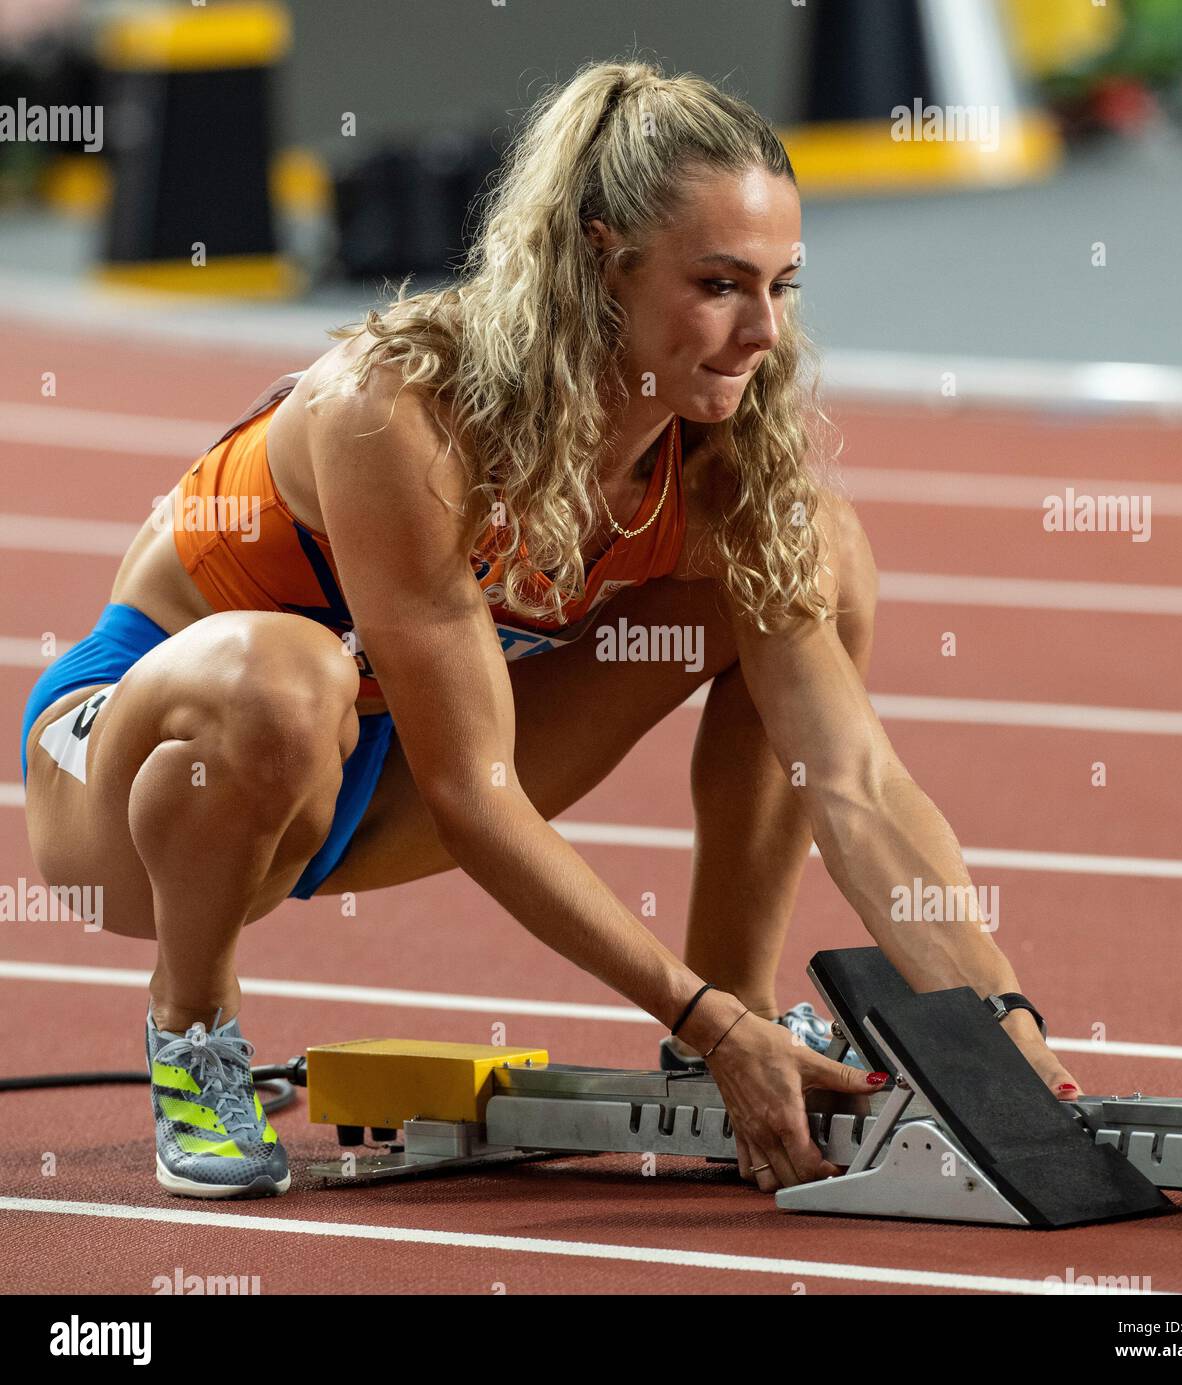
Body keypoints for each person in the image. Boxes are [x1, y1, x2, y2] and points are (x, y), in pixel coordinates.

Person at [20, 58, 1078, 1201]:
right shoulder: (397, 411)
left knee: (812, 560)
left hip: (375, 768)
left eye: (783, 284)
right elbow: (476, 793)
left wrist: (994, 1008)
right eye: (719, 283)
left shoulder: (716, 452)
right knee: (285, 671)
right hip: (146, 787)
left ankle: (736, 993)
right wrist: (699, 1014)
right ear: (598, 257)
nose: (762, 329)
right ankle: (192, 1028)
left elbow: (853, 769)